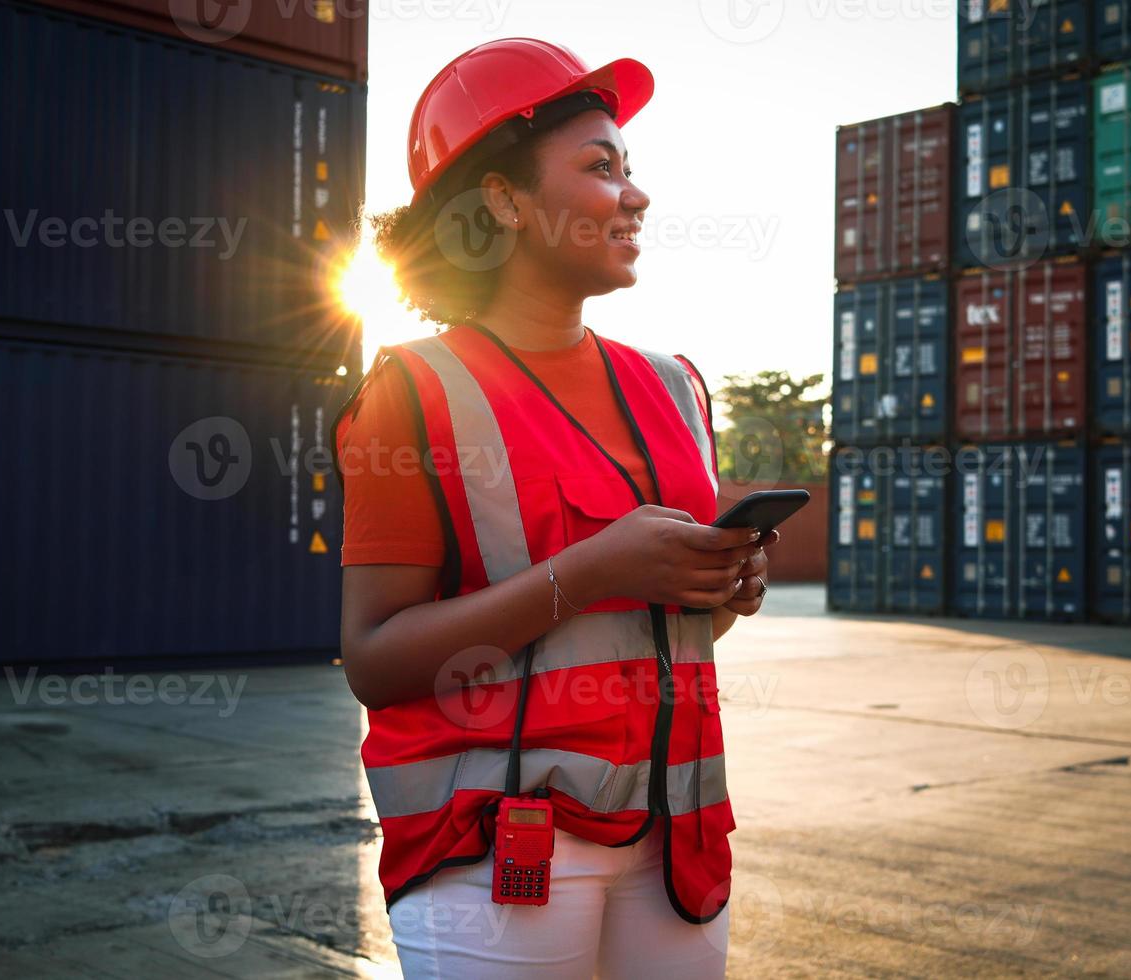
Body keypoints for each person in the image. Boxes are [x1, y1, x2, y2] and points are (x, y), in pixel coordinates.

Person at [328, 38, 779, 979]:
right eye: (600, 167)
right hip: (500, 856)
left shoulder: (675, 384)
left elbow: (655, 634)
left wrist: (718, 588)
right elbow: (374, 660)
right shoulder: (416, 393)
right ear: (502, 202)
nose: (636, 194)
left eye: (631, 167)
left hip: (679, 849)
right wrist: (592, 572)